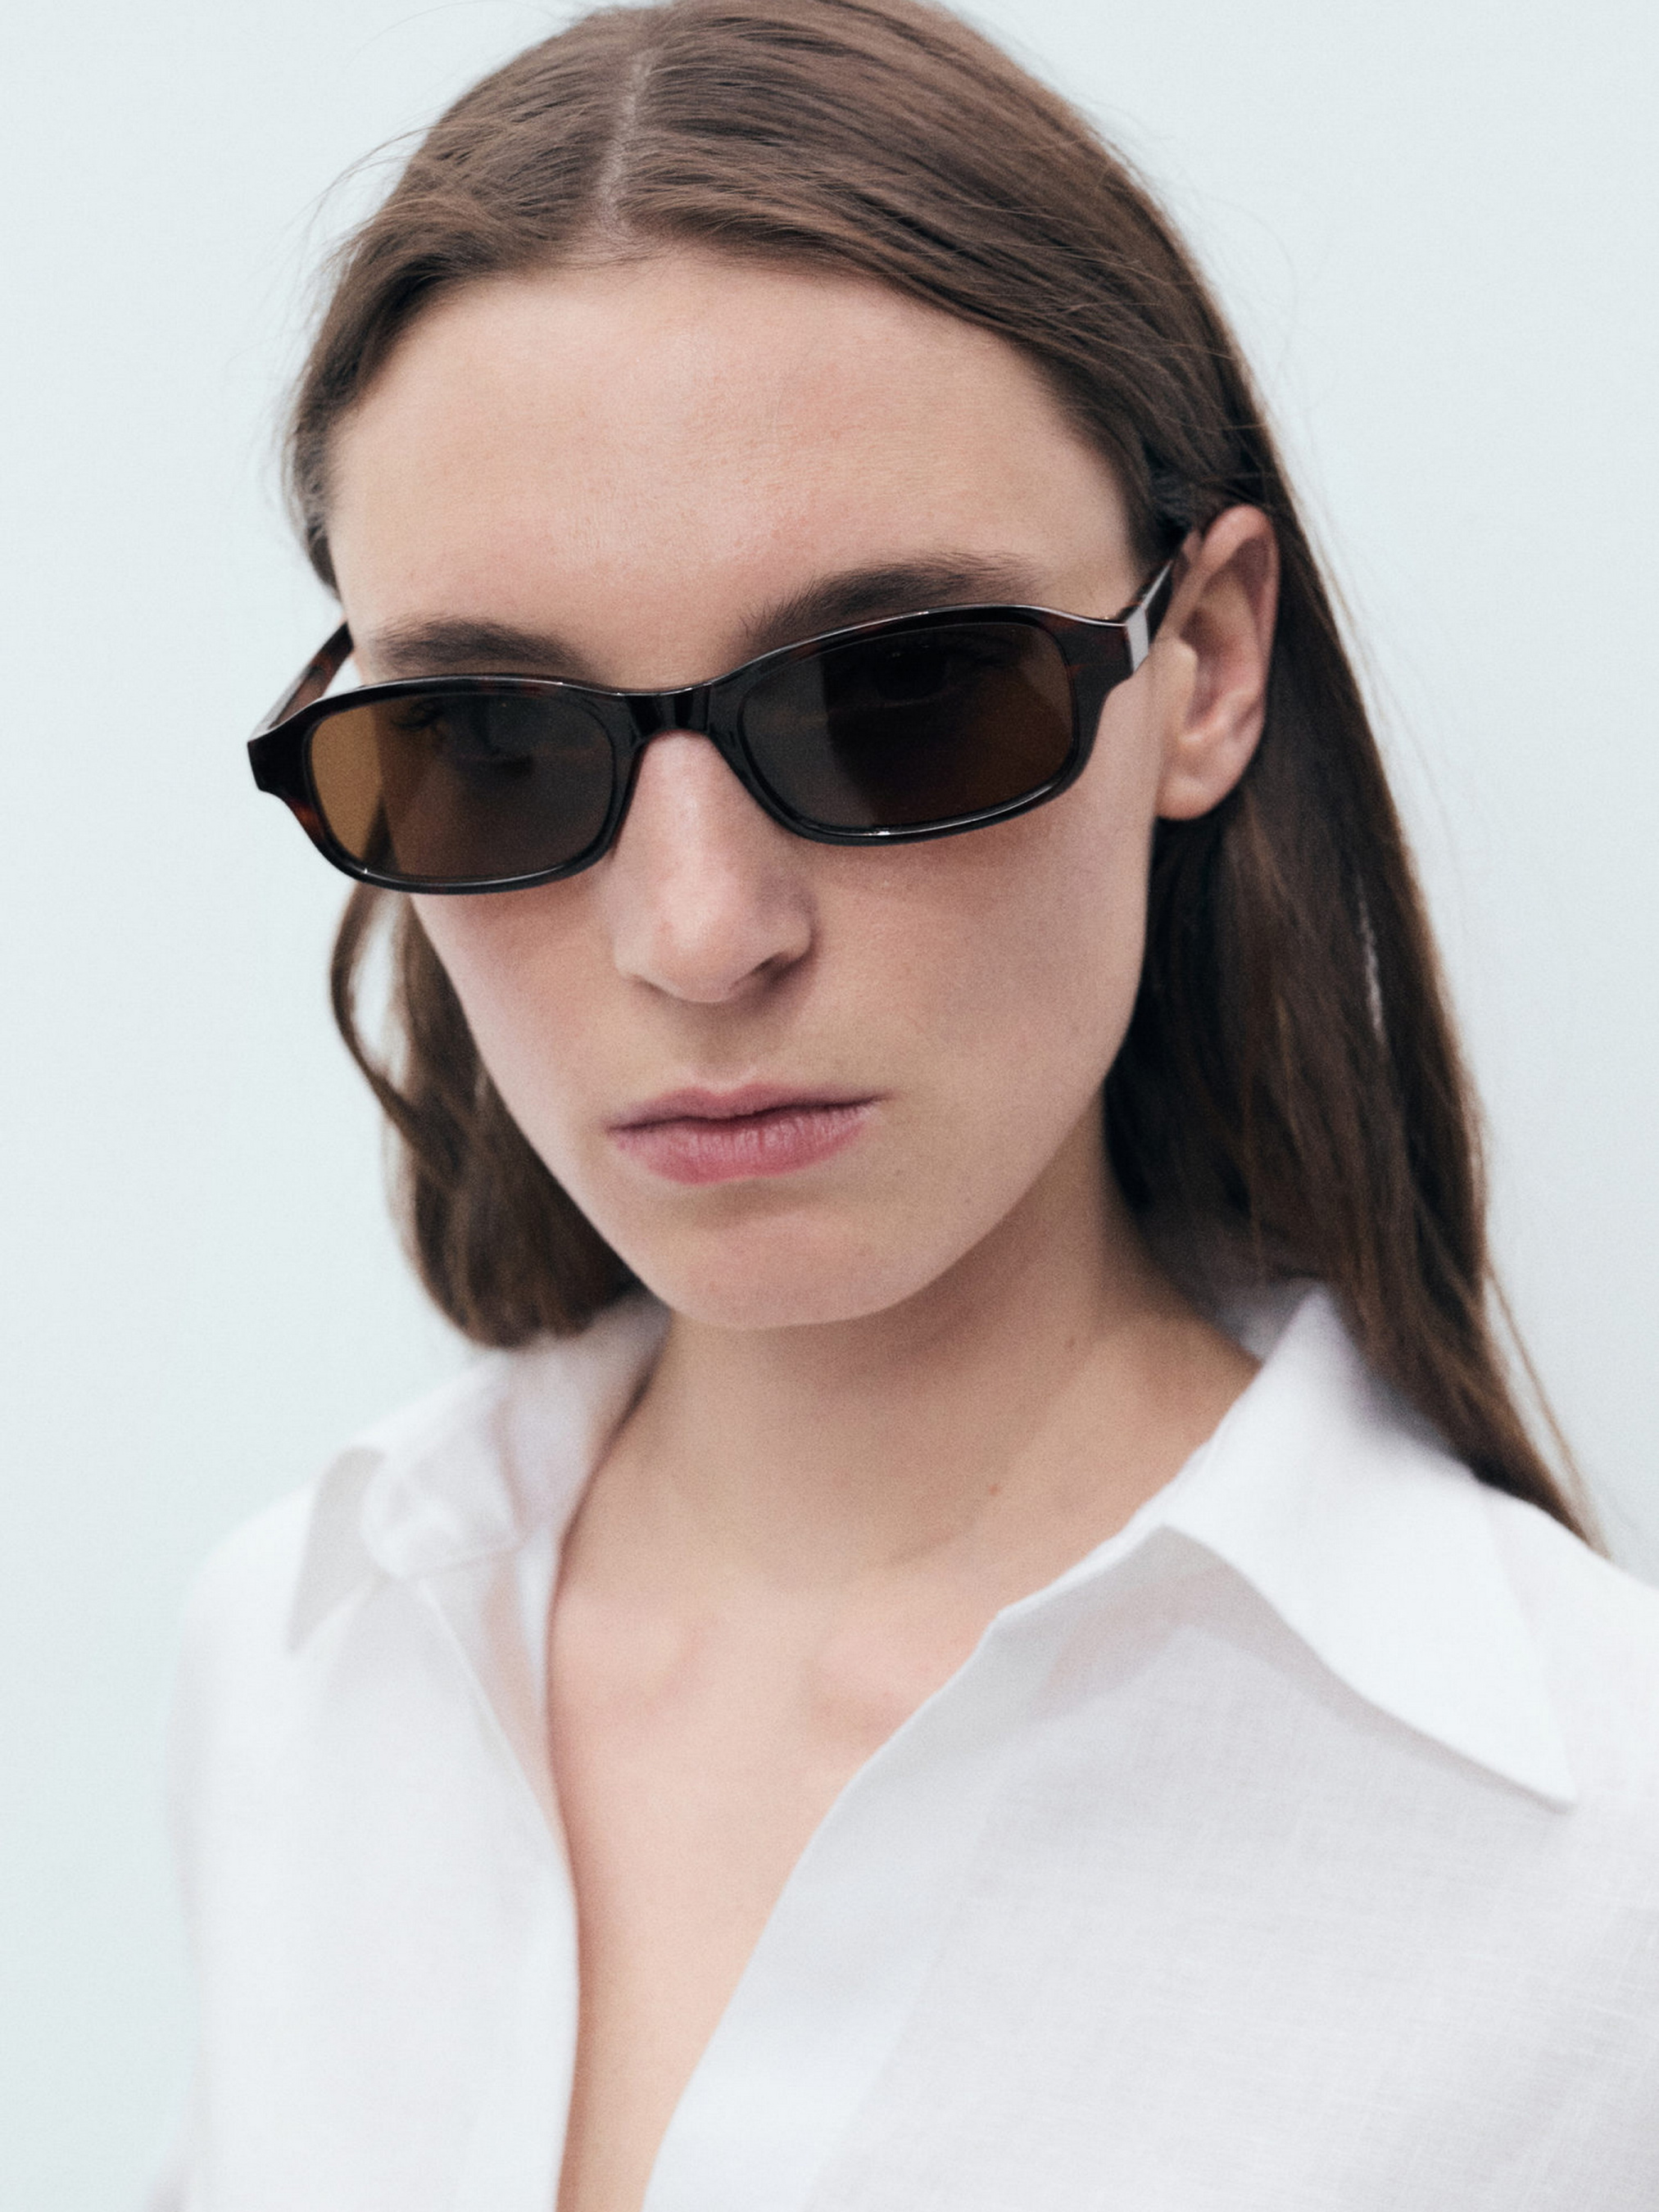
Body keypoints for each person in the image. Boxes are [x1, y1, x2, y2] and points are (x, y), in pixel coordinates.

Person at [156, 2, 1659, 2206]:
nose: (700, 933)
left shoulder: (1597, 1875)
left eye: (900, 698)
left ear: (1205, 663)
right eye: (489, 739)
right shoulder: (303, 1662)